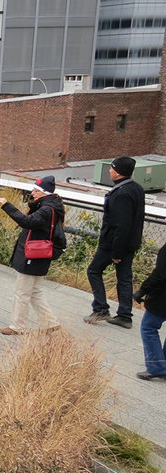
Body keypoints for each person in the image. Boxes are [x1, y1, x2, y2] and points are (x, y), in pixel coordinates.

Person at [0, 176, 66, 335]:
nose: (32, 192)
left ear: (44, 193)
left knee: (22, 293)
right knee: (35, 291)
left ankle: (17, 326)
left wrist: (7, 205)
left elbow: (27, 222)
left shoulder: (46, 209)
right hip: (41, 255)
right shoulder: (52, 206)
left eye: (36, 190)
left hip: (33, 256)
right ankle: (51, 322)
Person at [84, 156, 146, 328]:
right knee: (124, 277)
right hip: (130, 243)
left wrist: (116, 252)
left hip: (114, 244)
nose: (110, 170)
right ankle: (125, 316)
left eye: (112, 168)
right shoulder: (136, 188)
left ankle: (101, 308)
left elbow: (121, 225)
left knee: (94, 270)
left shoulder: (121, 193)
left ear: (118, 172)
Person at [134, 240, 166, 380]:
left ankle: (156, 367)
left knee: (148, 327)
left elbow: (160, 274)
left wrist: (142, 290)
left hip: (162, 298)